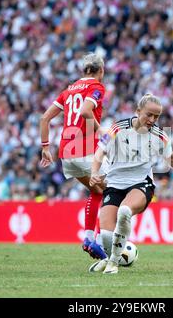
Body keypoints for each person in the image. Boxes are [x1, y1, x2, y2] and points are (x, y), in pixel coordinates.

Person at [88, 94, 173, 274]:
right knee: (107, 236)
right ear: (138, 111)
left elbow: (172, 158)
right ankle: (109, 257)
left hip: (141, 184)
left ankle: (113, 263)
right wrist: (94, 172)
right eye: (149, 115)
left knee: (124, 211)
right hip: (114, 185)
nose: (152, 120)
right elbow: (100, 152)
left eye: (156, 117)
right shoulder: (117, 128)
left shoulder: (159, 136)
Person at [40, 53, 108, 259]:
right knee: (115, 192)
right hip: (86, 150)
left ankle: (88, 239)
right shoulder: (97, 87)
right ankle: (99, 241)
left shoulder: (69, 90)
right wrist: (101, 131)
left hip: (66, 153)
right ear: (101, 71)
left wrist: (45, 147)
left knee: (97, 192)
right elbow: (87, 111)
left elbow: (44, 118)